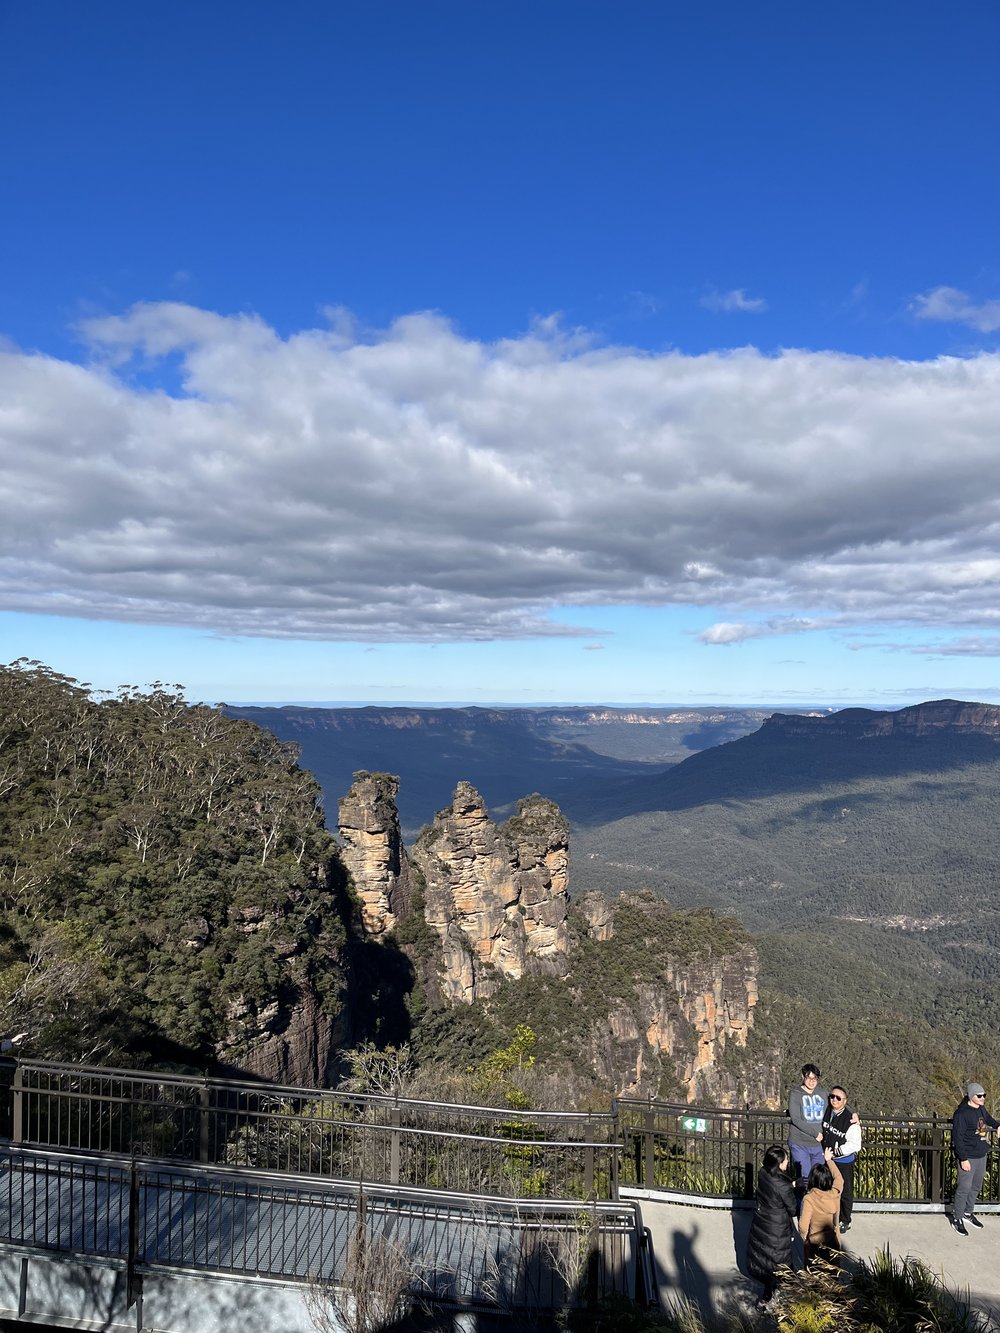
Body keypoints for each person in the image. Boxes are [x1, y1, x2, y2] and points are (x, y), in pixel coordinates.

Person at [745, 1144, 797, 1310]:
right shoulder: (783, 1186)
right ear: (780, 1163)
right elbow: (793, 1209)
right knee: (780, 1265)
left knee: (764, 1260)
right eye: (786, 1160)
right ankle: (775, 1301)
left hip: (762, 1222)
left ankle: (765, 1298)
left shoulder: (763, 1173)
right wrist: (793, 1189)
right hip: (778, 1227)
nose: (788, 1162)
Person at [951, 1081, 1000, 1235]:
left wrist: (999, 1126)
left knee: (976, 1186)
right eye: (979, 1096)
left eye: (984, 1095)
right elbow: (957, 1138)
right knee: (964, 1188)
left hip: (981, 1154)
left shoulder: (981, 1109)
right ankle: (957, 1218)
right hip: (968, 1157)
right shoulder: (962, 1114)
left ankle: (967, 1213)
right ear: (972, 1096)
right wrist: (963, 1159)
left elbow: (991, 1121)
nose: (983, 1098)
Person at [822, 1085, 861, 1231]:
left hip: (843, 1161)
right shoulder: (827, 1111)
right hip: (827, 1159)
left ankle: (845, 1220)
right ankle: (830, 1216)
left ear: (845, 1101)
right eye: (832, 1097)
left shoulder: (850, 1120)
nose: (834, 1100)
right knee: (827, 1188)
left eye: (839, 1098)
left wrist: (836, 1152)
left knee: (845, 1191)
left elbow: (855, 1145)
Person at [798, 1147, 844, 1266]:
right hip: (833, 1240)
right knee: (832, 1272)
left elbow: (803, 1226)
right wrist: (829, 1160)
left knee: (815, 1274)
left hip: (815, 1243)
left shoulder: (810, 1198)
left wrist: (804, 1238)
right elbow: (839, 1178)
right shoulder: (835, 1194)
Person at [788, 1063, 828, 1184]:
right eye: (809, 1078)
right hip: (800, 1143)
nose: (812, 1082)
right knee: (805, 1179)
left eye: (814, 1078)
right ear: (803, 1077)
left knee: (819, 1179)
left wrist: (853, 1114)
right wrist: (815, 1133)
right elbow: (795, 1118)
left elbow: (839, 1101)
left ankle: (815, 1203)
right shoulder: (795, 1094)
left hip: (818, 1145)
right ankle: (803, 1203)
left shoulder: (823, 1093)